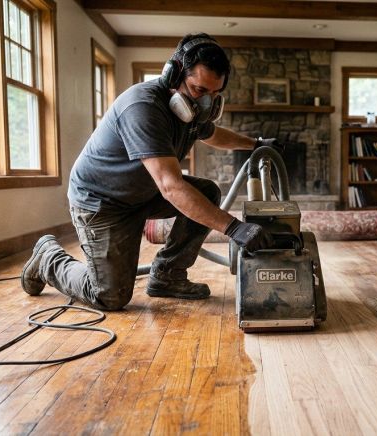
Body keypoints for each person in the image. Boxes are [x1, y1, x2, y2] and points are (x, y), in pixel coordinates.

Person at [20, 33, 282, 310]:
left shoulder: (191, 110)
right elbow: (170, 186)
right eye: (200, 90)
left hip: (142, 193)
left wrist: (256, 144)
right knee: (109, 296)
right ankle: (47, 257)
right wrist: (235, 228)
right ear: (174, 75)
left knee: (206, 191)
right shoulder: (142, 107)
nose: (207, 103)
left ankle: (167, 276)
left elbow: (212, 134)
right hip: (102, 203)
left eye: (215, 94)